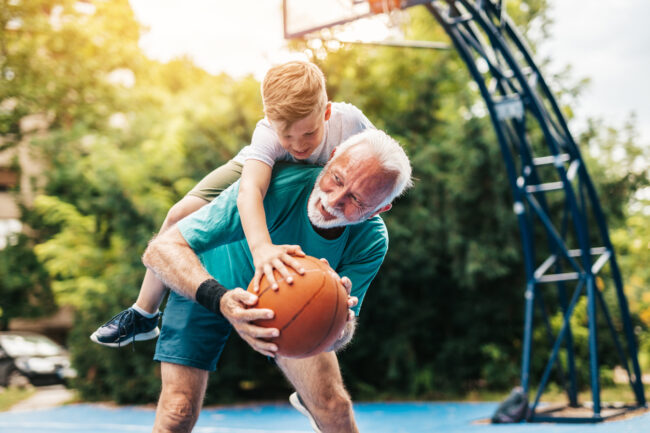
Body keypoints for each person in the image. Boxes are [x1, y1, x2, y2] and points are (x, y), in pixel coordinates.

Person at [142, 129, 412, 433]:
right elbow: (160, 249)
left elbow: (343, 331)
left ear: (380, 209)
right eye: (336, 179)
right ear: (332, 158)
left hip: (287, 306)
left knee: (334, 407)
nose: (333, 200)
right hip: (207, 279)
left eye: (355, 199)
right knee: (178, 410)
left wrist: (340, 323)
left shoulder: (370, 240)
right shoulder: (272, 187)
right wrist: (219, 298)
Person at [90, 60, 375, 347]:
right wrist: (261, 247)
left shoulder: (352, 123)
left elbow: (382, 170)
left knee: (311, 299)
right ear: (268, 118)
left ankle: (315, 364)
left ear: (326, 112)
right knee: (178, 214)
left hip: (317, 190)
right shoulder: (266, 134)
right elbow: (251, 189)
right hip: (265, 168)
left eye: (309, 134)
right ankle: (144, 313)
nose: (299, 145)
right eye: (286, 135)